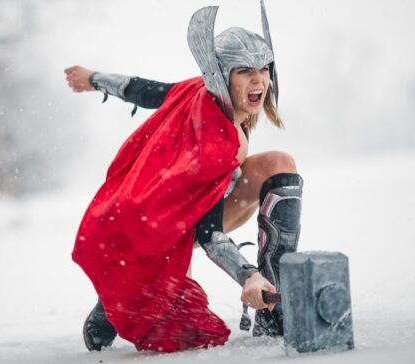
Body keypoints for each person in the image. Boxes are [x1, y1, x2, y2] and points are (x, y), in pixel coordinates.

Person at [66, 3, 303, 353]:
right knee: (172, 322)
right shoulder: (213, 140)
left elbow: (144, 90)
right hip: (151, 232)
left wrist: (94, 79)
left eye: (263, 68)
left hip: (171, 217)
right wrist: (248, 275)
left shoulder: (198, 92)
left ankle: (274, 306)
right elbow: (208, 233)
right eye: (244, 71)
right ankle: (120, 299)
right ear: (221, 75)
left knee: (279, 163)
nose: (259, 80)